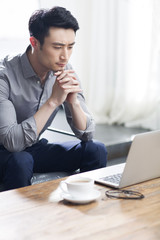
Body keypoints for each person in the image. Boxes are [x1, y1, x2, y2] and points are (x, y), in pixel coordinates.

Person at [0, 6, 107, 191]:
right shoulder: (5, 76)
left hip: (33, 148)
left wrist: (73, 102)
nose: (65, 56)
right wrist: (53, 102)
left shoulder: (64, 68)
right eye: (57, 47)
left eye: (70, 47)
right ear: (34, 42)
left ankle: (86, 211)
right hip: (7, 152)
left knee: (95, 149)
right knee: (21, 160)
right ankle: (21, 218)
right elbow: (13, 143)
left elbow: (87, 134)